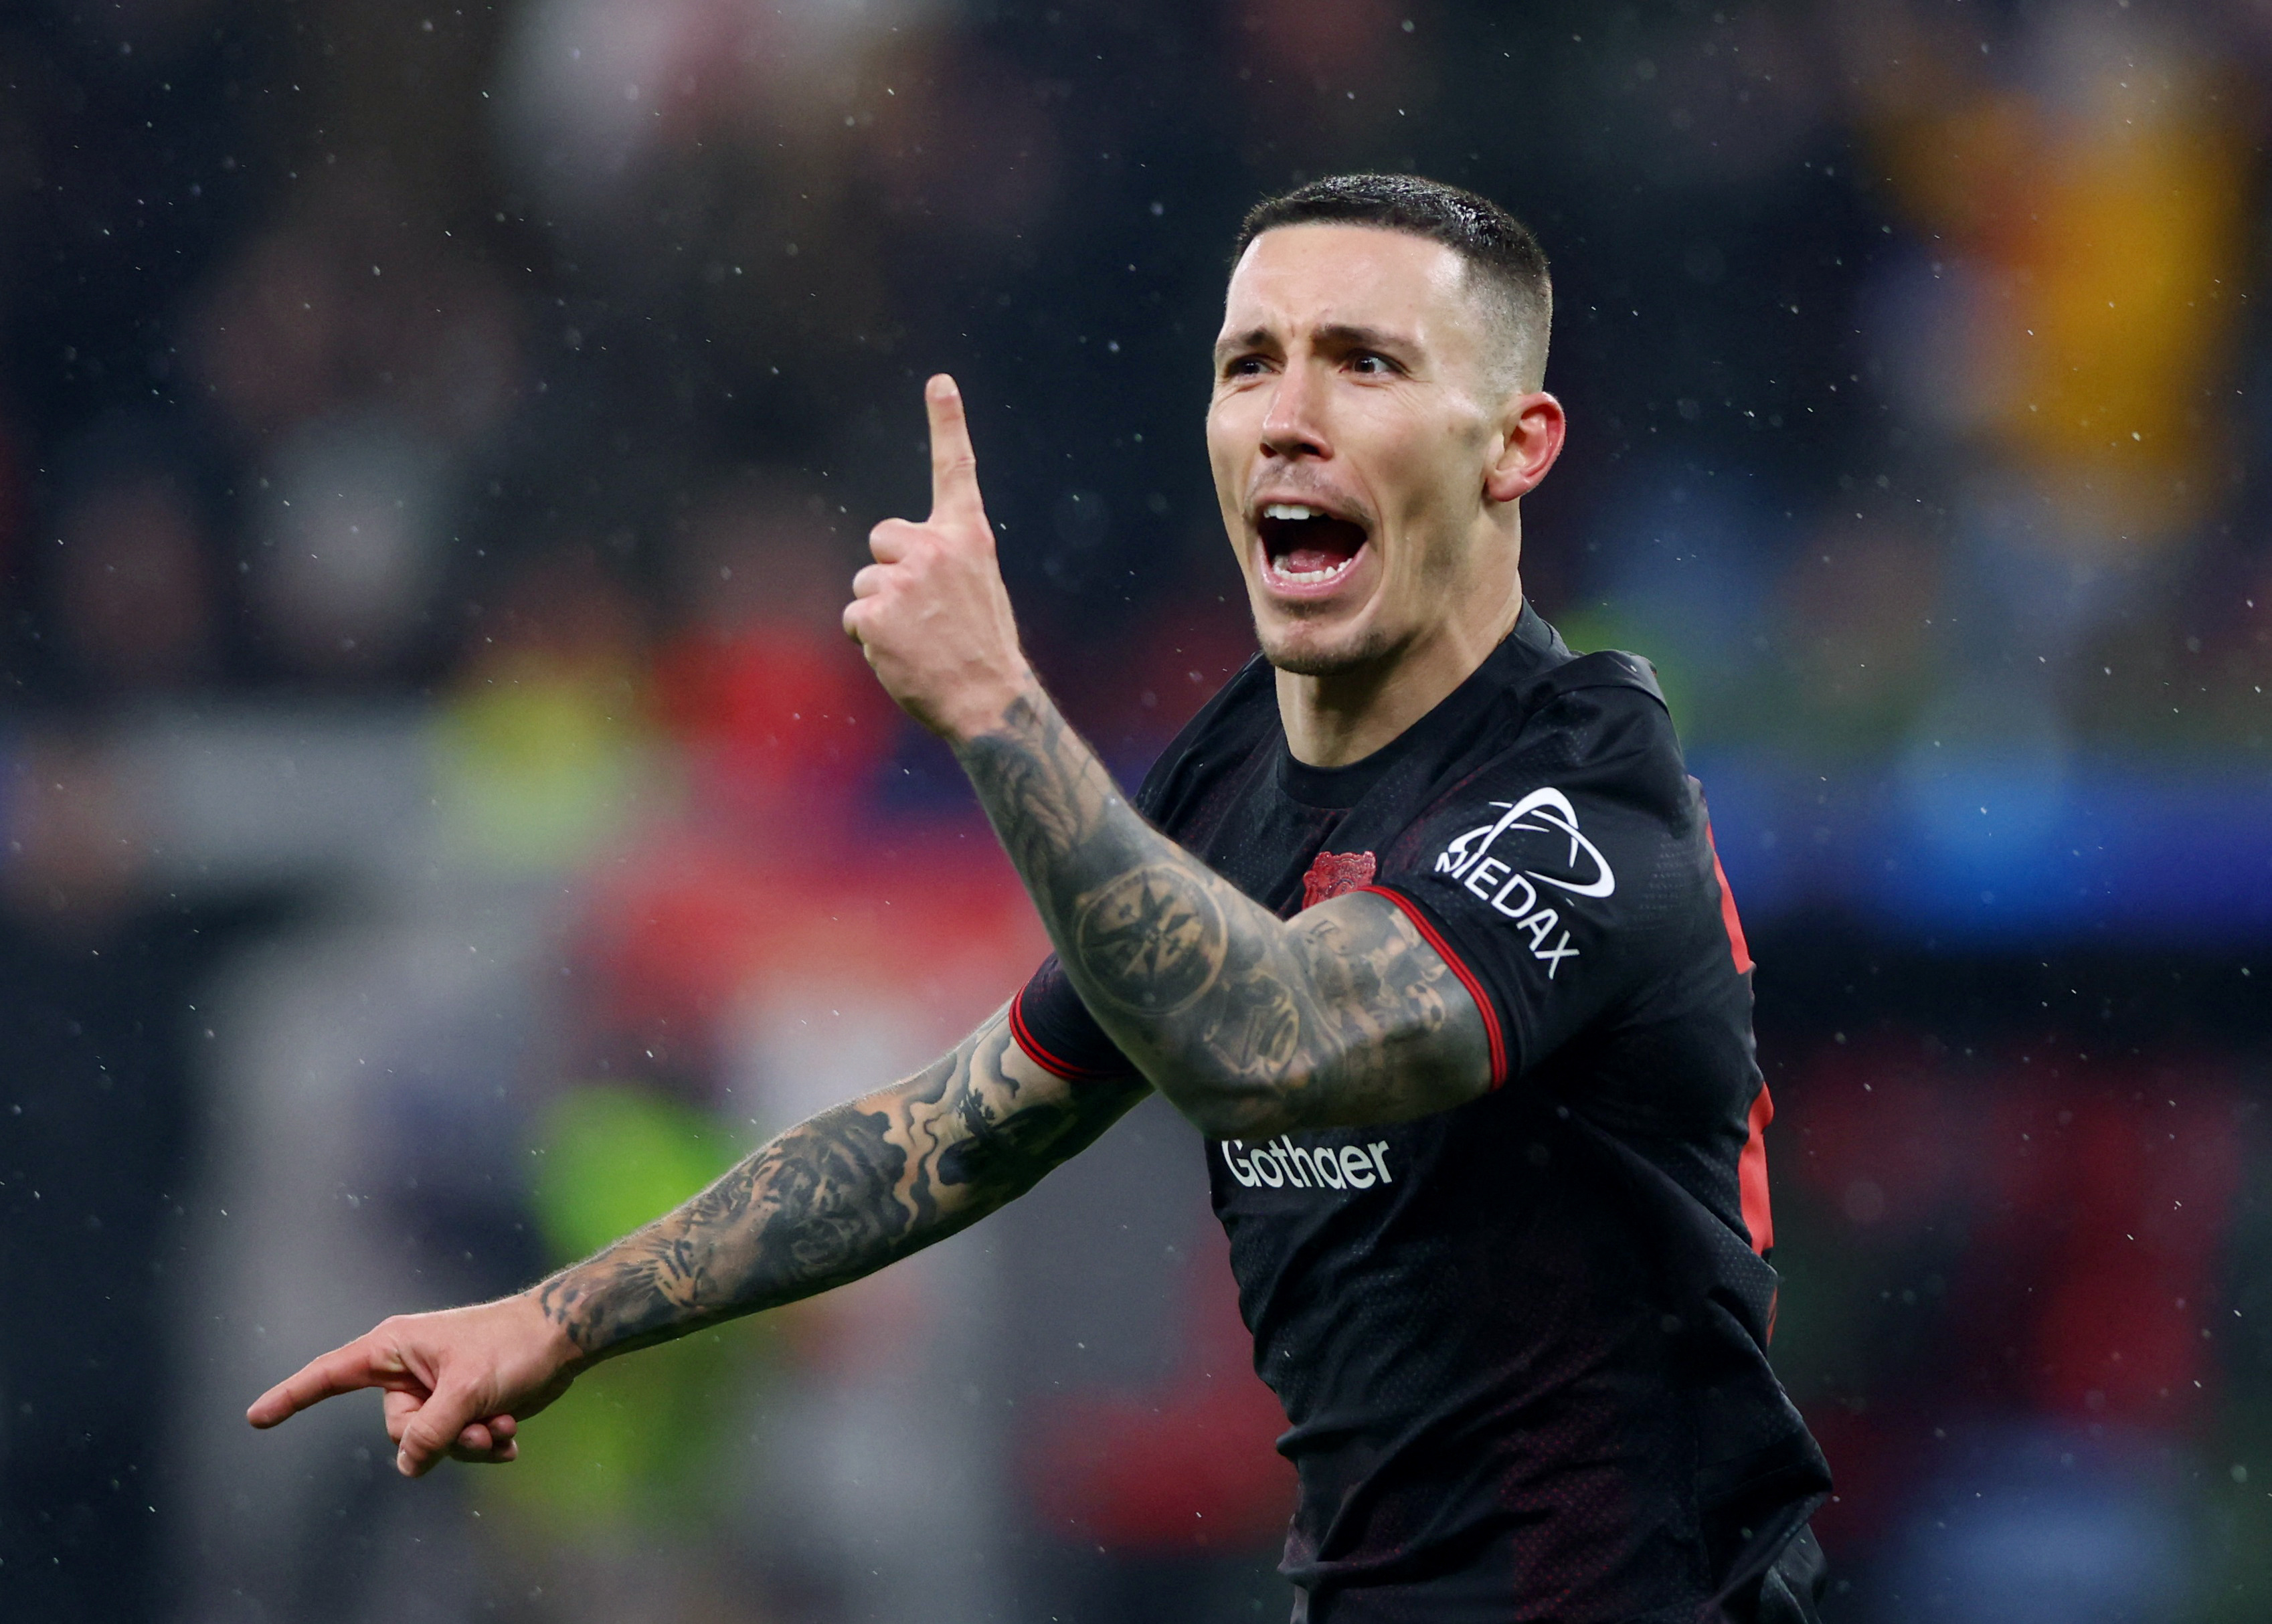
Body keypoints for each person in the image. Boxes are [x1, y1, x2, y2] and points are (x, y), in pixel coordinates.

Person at [250, 175, 1830, 1622]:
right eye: (1249, 362)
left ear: (1516, 445)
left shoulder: (1589, 793)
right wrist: (558, 1315)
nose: (1289, 415)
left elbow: (1276, 1038)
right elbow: (955, 1126)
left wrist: (997, 704)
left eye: (1365, 362)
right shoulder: (1224, 786)